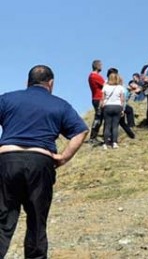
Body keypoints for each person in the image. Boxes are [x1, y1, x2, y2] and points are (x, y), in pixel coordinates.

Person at [0, 65, 88, 258]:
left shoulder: (7, 98)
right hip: (41, 161)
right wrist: (64, 157)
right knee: (37, 220)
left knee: (3, 218)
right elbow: (80, 131)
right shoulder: (60, 104)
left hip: (7, 159)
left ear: (27, 82)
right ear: (51, 84)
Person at [101, 70, 126, 149]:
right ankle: (114, 142)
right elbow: (122, 99)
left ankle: (105, 143)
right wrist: (122, 109)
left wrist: (102, 106)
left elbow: (102, 98)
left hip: (107, 106)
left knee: (107, 125)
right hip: (117, 106)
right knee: (115, 126)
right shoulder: (120, 88)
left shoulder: (105, 87)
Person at [88, 59, 105, 143]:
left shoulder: (92, 76)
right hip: (98, 98)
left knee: (99, 117)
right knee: (98, 118)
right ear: (97, 66)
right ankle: (93, 137)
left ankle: (94, 136)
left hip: (96, 98)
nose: (102, 67)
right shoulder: (96, 76)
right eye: (100, 65)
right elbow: (106, 85)